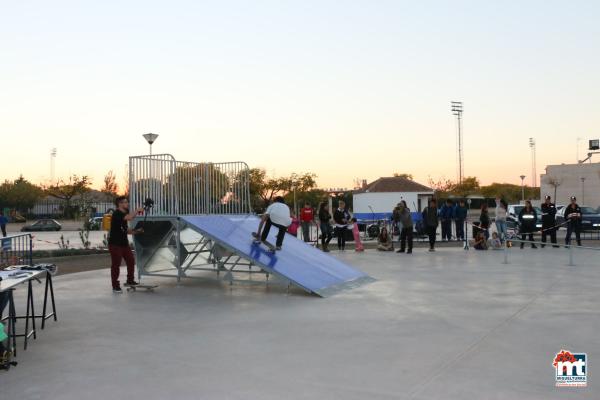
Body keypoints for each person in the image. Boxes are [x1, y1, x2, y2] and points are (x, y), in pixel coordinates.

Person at [108, 196, 144, 293]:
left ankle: (130, 280)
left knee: (131, 261)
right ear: (120, 204)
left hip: (124, 244)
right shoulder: (117, 214)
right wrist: (137, 210)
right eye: (125, 202)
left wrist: (136, 231)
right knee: (116, 265)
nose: (127, 203)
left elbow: (125, 230)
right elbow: (130, 217)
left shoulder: (123, 214)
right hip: (115, 244)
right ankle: (115, 286)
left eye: (127, 202)